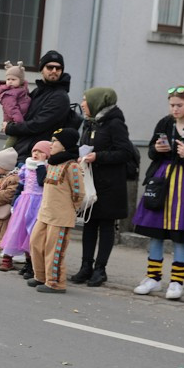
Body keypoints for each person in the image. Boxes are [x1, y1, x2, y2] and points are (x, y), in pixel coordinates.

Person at [131, 86, 184, 300]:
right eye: (172, 105)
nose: (175, 109)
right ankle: (153, 278)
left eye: (179, 105)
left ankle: (177, 282)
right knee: (156, 232)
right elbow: (151, 150)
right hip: (162, 181)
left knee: (180, 235)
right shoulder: (165, 123)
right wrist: (156, 150)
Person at [69, 87, 133, 287]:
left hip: (110, 184)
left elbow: (125, 152)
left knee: (106, 226)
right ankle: (85, 267)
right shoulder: (91, 123)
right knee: (89, 224)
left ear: (97, 102)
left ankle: (100, 269)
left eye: (86, 99)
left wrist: (99, 156)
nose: (82, 103)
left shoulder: (115, 124)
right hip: (91, 182)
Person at [27, 128, 85, 293]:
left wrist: (71, 209)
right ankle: (41, 276)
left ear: (65, 145)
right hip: (45, 213)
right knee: (36, 243)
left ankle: (55, 282)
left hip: (60, 216)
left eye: (55, 142)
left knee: (55, 249)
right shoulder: (52, 163)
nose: (51, 145)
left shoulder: (71, 166)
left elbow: (78, 192)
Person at [3, 50, 72, 160]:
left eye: (58, 68)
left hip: (37, 157)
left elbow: (38, 124)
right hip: (22, 152)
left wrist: (11, 127)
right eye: (50, 67)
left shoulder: (60, 97)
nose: (54, 71)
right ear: (41, 69)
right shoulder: (37, 92)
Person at [0, 141, 51, 279]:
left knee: (33, 234)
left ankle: (35, 265)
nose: (36, 154)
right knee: (21, 233)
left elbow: (42, 182)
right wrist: (15, 202)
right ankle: (28, 262)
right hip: (24, 203)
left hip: (38, 203)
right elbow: (20, 186)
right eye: (35, 151)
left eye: (41, 152)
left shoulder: (46, 168)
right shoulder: (25, 167)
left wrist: (41, 165)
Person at [0, 61, 30, 149]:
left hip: (20, 120)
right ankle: (5, 151)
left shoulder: (21, 90)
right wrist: (19, 123)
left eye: (13, 79)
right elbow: (11, 109)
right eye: (8, 79)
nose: (10, 82)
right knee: (12, 139)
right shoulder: (9, 94)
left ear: (21, 80)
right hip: (14, 122)